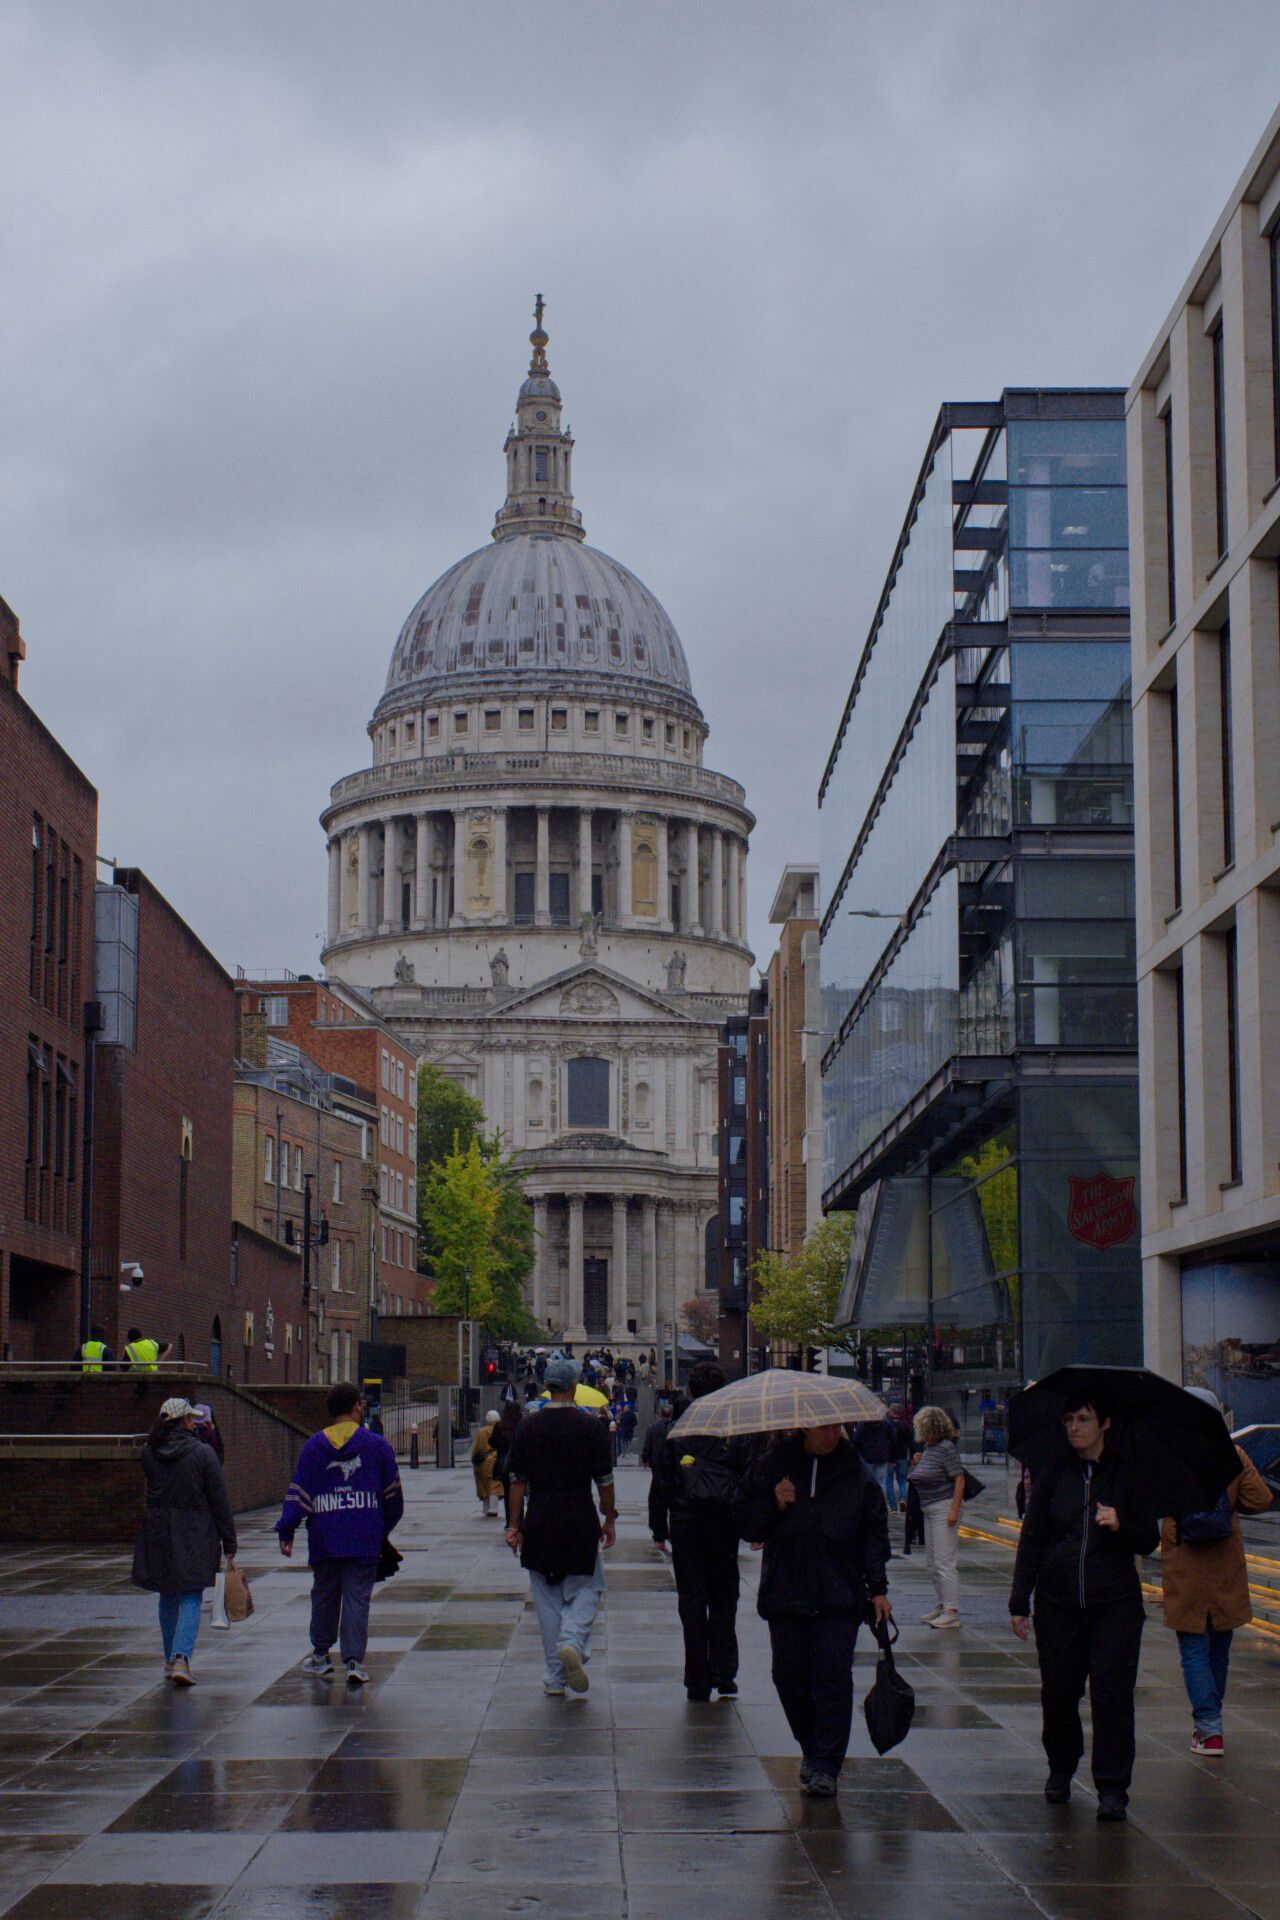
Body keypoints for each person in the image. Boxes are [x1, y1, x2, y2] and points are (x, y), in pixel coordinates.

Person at [1009, 1389, 1159, 1822]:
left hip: (1115, 1604)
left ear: (1105, 1424)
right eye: (1069, 1419)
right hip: (1058, 1603)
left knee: (1111, 1694)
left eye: (1084, 1419)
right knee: (1058, 1692)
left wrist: (1120, 1524)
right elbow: (1032, 1538)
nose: (1074, 1427)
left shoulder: (1127, 1474)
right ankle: (1061, 1766)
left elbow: (1148, 1539)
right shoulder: (1054, 1473)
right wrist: (1020, 1600)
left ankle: (1112, 1787)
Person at [737, 1422, 892, 1797]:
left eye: (836, 1427)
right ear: (804, 1428)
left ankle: (826, 1765)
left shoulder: (855, 1472)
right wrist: (774, 1504)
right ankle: (810, 1745)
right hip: (786, 1591)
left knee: (833, 1678)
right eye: (823, 1428)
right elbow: (745, 1522)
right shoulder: (774, 1466)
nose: (832, 1434)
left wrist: (877, 1588)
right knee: (787, 1676)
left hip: (839, 1593)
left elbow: (873, 1531)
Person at [1161, 1386, 1274, 1756]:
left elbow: (1149, 1502)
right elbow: (1261, 1499)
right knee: (1219, 1647)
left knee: (1194, 1648)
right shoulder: (1233, 1454)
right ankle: (1211, 1727)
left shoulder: (1168, 1456)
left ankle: (1209, 1730)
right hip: (1224, 1564)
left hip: (1185, 1564)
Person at [276, 1382, 404, 1686]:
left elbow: (299, 1493)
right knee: (358, 1599)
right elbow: (394, 1499)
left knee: (324, 1595)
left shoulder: (313, 1447)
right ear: (358, 1407)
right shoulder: (377, 1446)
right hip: (364, 1536)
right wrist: (380, 1528)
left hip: (325, 1537)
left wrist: (287, 1528)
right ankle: (354, 1661)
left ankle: (321, 1655)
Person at [505, 1357, 616, 1697]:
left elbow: (517, 1481)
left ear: (546, 1386)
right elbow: (604, 1480)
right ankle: (571, 1640)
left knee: (547, 1602)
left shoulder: (527, 1427)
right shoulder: (591, 1427)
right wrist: (609, 1518)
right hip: (579, 1517)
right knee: (589, 1588)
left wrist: (514, 1525)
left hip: (539, 1518)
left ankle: (555, 1678)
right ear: (573, 1387)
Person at [650, 1360, 751, 1701]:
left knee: (692, 1600)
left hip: (686, 1521)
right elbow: (748, 1478)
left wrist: (658, 1527)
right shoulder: (735, 1431)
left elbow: (661, 1483)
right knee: (724, 1597)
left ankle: (697, 1677)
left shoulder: (676, 1430)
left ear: (691, 1391)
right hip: (724, 1521)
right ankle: (724, 1671)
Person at [131, 1395, 236, 1685]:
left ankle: (170, 1659)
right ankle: (182, 1658)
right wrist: (229, 1541)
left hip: (158, 1532)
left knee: (167, 1593)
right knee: (191, 1594)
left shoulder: (149, 1452)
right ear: (185, 1421)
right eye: (191, 1419)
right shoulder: (203, 1454)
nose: (194, 1424)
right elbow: (219, 1500)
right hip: (194, 1532)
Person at [909, 1406, 966, 1629]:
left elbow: (959, 1478)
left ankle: (952, 1610)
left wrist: (954, 1510)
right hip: (930, 1509)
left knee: (944, 1561)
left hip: (943, 1508)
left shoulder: (945, 1448)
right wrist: (918, 1464)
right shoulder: (929, 1448)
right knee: (933, 1562)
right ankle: (943, 1604)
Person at [854, 1410, 896, 1508]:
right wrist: (892, 1458)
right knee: (880, 1483)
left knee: (866, 1482)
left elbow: (856, 1440)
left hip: (866, 1456)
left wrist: (858, 1454)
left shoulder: (862, 1423)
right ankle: (878, 1505)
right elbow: (893, 1439)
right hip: (882, 1456)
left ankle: (867, 1504)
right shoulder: (885, 1423)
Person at [492, 1398, 524, 1508]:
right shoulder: (522, 1424)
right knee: (519, 1489)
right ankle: (519, 1514)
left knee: (507, 1491)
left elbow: (492, 1442)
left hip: (504, 1462)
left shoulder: (499, 1425)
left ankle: (509, 1516)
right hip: (519, 1461)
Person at [472, 1411, 502, 1517]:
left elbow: (476, 1447)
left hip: (484, 1461)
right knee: (494, 1484)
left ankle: (486, 1507)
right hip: (496, 1459)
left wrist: (474, 1458)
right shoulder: (500, 1430)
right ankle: (493, 1508)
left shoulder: (481, 1432)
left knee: (484, 1484)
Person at [887, 1402, 912, 1510]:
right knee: (902, 1480)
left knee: (889, 1481)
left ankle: (893, 1505)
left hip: (889, 1458)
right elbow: (910, 1442)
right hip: (902, 1456)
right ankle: (902, 1498)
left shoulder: (887, 1424)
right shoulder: (904, 1425)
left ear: (891, 1411)